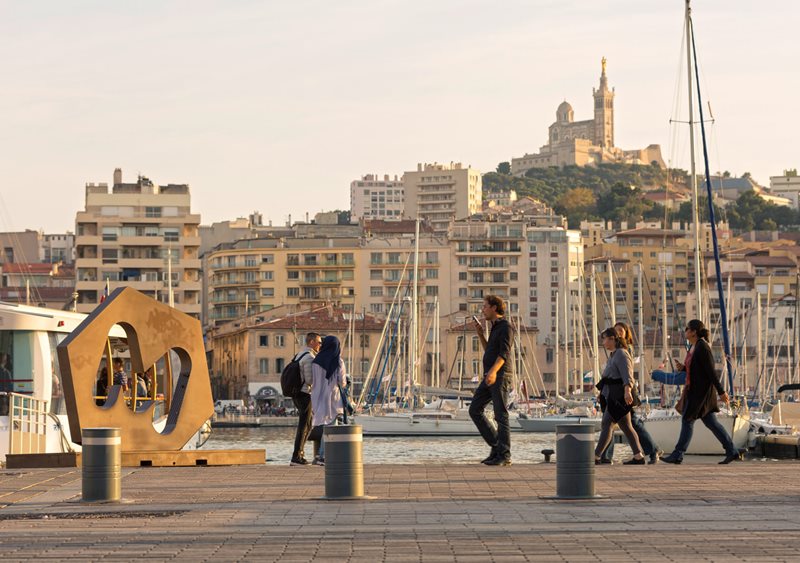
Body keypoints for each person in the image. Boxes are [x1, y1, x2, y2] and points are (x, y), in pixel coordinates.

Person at [662, 319, 741, 465]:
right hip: (695, 391)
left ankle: (678, 454)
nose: (685, 331)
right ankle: (732, 451)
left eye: (687, 329)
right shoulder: (694, 347)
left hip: (701, 393)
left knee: (687, 420)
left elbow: (711, 372)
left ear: (693, 332)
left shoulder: (702, 347)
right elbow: (696, 368)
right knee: (711, 422)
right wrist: (683, 368)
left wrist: (721, 392)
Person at [600, 322, 662, 464]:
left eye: (621, 330)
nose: (618, 333)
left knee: (626, 423)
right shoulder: (616, 351)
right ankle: (606, 456)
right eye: (616, 330)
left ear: (626, 333)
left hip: (623, 392)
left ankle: (651, 450)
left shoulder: (625, 350)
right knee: (617, 423)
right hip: (615, 392)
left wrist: (627, 390)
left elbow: (626, 373)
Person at [469, 295, 514, 466]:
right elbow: (490, 350)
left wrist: (494, 372)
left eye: (485, 306)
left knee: (500, 415)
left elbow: (504, 354)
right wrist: (481, 335)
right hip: (490, 374)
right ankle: (497, 446)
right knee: (474, 409)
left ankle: (505, 455)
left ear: (494, 308)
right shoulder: (494, 327)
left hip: (500, 375)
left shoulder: (506, 327)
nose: (482, 310)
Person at [594, 327, 646, 465]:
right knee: (626, 426)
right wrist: (602, 394)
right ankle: (638, 456)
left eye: (604, 339)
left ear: (612, 339)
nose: (603, 342)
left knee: (607, 423)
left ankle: (596, 456)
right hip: (611, 394)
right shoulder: (614, 354)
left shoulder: (622, 354)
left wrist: (627, 391)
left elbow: (627, 375)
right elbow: (608, 377)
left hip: (618, 395)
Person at [310, 335, 347, 466]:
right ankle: (322, 455)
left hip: (317, 396)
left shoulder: (315, 361)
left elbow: (312, 380)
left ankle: (322, 455)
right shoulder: (338, 362)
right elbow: (342, 382)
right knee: (331, 428)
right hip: (333, 398)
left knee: (325, 426)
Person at [290, 332, 322, 466]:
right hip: (304, 394)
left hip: (297, 393)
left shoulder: (299, 355)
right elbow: (309, 380)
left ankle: (299, 454)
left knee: (307, 424)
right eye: (319, 342)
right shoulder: (309, 357)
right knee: (304, 425)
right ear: (312, 342)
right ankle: (297, 456)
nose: (320, 345)